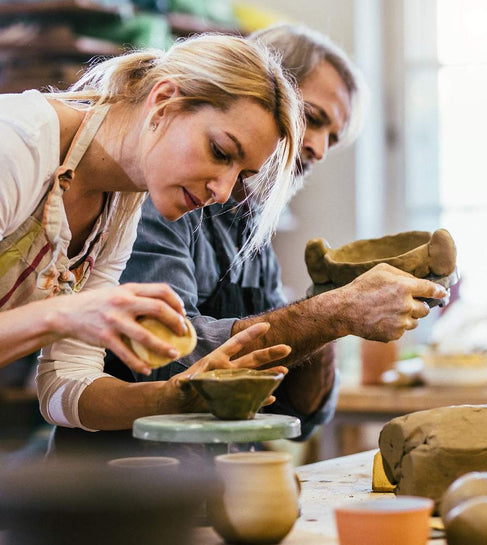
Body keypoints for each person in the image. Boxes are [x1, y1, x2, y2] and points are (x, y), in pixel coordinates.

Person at [94, 24, 449, 441]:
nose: (317, 148)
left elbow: (298, 413)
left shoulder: (249, 221)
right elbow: (173, 361)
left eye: (331, 138)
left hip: (213, 485)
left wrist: (331, 297)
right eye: (311, 120)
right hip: (118, 485)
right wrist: (333, 311)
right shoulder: (161, 191)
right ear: (265, 94)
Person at [0, 33, 306, 434]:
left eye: (241, 174)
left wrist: (178, 394)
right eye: (220, 151)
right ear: (163, 102)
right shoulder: (17, 143)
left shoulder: (120, 206)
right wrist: (68, 314)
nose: (223, 191)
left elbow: (65, 390)